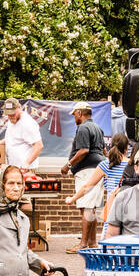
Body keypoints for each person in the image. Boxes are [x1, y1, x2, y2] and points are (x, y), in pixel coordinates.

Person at [61, 103, 105, 252]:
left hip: (86, 170)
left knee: (86, 207)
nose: (74, 118)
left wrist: (68, 164)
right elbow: (103, 150)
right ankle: (92, 243)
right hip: (98, 169)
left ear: (79, 113)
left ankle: (83, 244)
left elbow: (84, 150)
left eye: (74, 115)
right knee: (91, 207)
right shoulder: (98, 128)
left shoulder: (83, 128)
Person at [66, 131, 128, 212]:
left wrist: (72, 199)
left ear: (111, 146)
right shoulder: (133, 165)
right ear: (126, 148)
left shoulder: (105, 165)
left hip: (111, 215)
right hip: (129, 214)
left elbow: (87, 186)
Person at [2, 98, 42, 170]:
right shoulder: (12, 120)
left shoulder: (28, 123)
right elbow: (13, 137)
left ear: (19, 108)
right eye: (8, 113)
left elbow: (39, 145)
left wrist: (27, 163)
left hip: (25, 168)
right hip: (14, 166)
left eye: (13, 112)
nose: (10, 115)